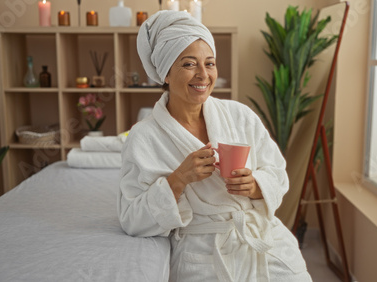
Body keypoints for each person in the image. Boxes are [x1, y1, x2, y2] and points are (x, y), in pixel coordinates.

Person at [118, 10, 312, 282]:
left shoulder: (239, 115)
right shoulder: (144, 137)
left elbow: (277, 172)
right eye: (188, 64)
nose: (203, 75)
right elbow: (131, 218)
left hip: (261, 238)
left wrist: (256, 186)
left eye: (209, 63)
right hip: (203, 252)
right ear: (165, 74)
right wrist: (178, 179)